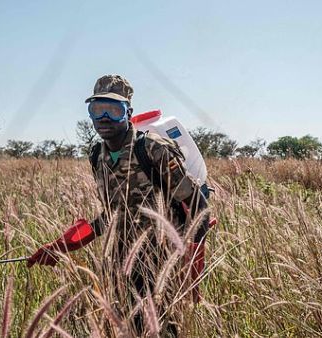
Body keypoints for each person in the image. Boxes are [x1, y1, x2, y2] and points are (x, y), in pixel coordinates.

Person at [27, 74, 210, 336]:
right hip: (122, 264)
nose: (104, 118)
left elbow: (198, 206)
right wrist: (63, 245)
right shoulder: (97, 157)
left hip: (162, 263)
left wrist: (192, 263)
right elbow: (112, 216)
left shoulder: (153, 149)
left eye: (114, 110)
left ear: (128, 112)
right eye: (96, 110)